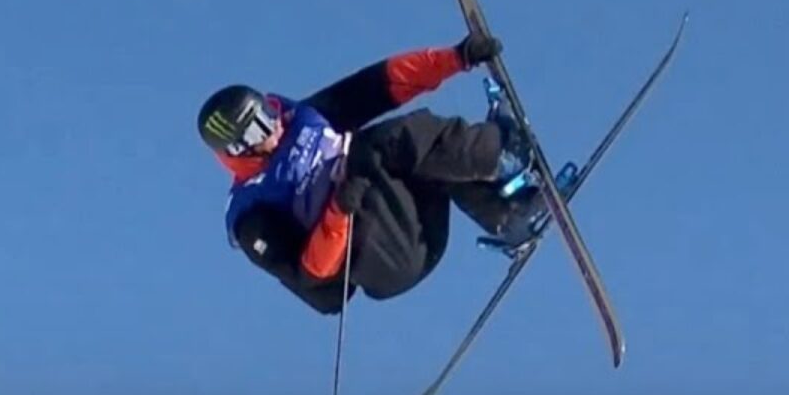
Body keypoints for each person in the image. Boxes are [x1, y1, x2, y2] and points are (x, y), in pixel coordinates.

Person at [197, 31, 550, 315]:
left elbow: (380, 86)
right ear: (238, 149)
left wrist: (456, 59)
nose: (273, 125)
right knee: (372, 148)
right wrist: (338, 211)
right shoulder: (251, 213)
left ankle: (508, 216)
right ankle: (501, 152)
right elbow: (310, 277)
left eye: (267, 112)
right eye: (257, 128)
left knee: (418, 154)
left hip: (414, 223)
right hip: (384, 258)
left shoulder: (302, 121)